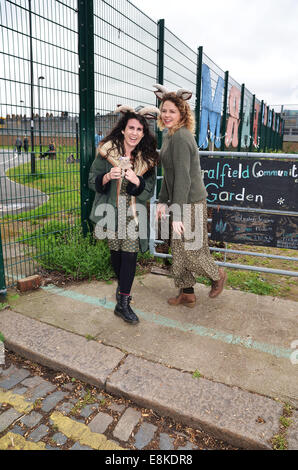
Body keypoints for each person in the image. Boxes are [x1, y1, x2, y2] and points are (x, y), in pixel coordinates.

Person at [154, 84, 226, 308]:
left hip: (190, 202)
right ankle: (187, 293)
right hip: (180, 201)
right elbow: (170, 175)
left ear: (182, 113)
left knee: (191, 248)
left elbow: (183, 178)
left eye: (172, 111)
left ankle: (217, 275)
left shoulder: (181, 137)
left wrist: (176, 214)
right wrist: (163, 202)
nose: (166, 115)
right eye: (164, 110)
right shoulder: (169, 135)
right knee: (178, 249)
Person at [88, 105, 160, 325]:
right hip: (109, 208)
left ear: (143, 133)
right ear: (123, 129)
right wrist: (108, 176)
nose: (134, 132)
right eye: (131, 127)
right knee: (116, 253)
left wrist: (137, 181)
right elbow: (92, 180)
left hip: (132, 212)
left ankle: (123, 303)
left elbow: (148, 191)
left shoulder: (147, 158)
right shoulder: (107, 151)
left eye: (139, 129)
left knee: (129, 254)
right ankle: (123, 291)